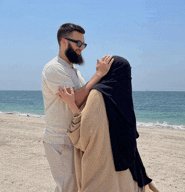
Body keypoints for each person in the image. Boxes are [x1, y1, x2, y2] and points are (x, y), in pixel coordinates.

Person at [56, 56, 159, 192]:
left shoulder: (98, 95)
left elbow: (84, 139)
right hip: (127, 176)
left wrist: (72, 105)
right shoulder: (125, 100)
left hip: (101, 176)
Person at [41, 23, 114, 192]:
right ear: (64, 42)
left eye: (83, 44)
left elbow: (85, 99)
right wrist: (98, 74)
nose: (82, 48)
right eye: (78, 43)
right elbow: (78, 100)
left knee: (72, 187)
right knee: (69, 188)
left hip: (74, 138)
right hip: (60, 139)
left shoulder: (74, 71)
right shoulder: (54, 68)